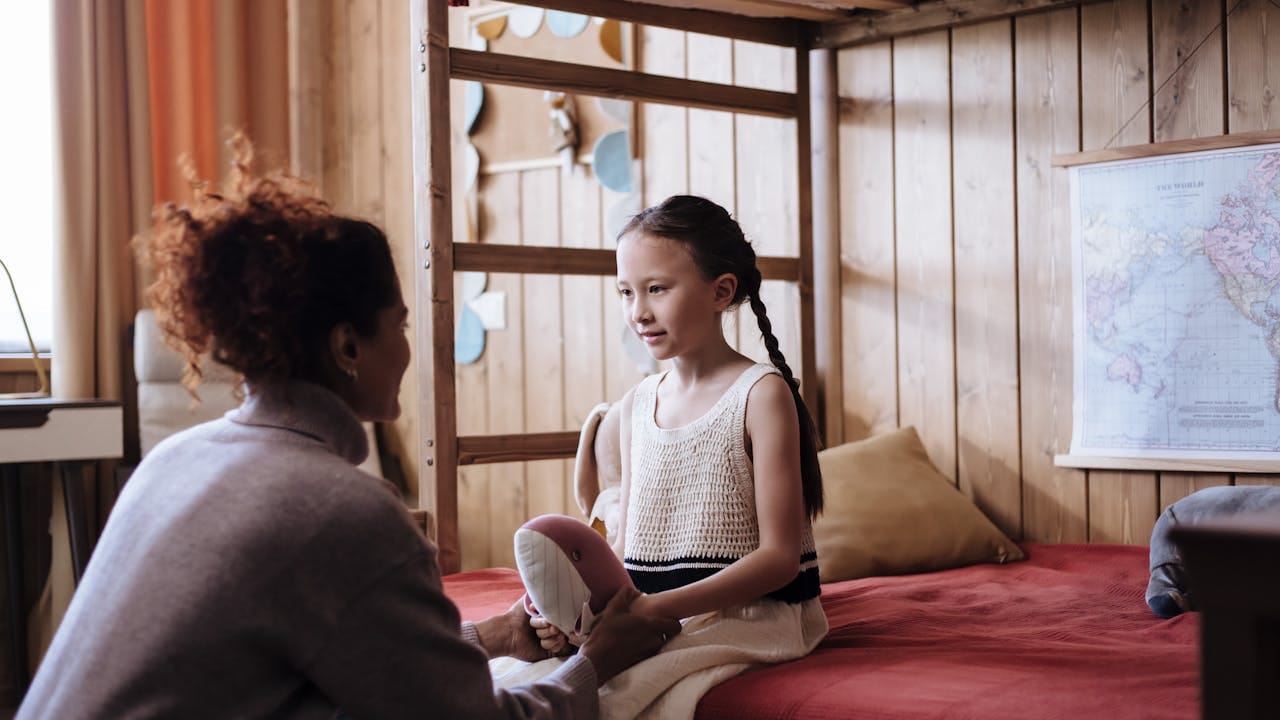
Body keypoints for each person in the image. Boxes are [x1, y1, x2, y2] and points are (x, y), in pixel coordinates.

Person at [17, 136, 677, 720]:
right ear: (347, 348)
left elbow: (316, 660)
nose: (408, 348)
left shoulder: (178, 459)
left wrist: (496, 636)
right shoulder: (345, 512)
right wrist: (598, 663)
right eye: (400, 326)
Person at [527, 195, 829, 719]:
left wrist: (657, 608)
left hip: (750, 616)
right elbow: (624, 551)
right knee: (526, 679)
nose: (638, 311)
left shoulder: (761, 394)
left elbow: (780, 560)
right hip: (657, 613)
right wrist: (577, 615)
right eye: (626, 291)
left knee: (614, 696)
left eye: (657, 289)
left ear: (722, 291)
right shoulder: (636, 405)